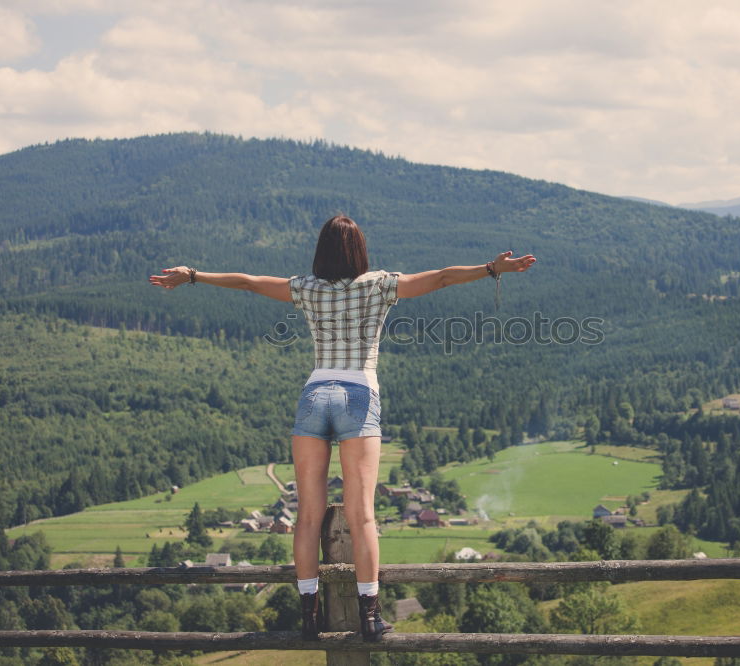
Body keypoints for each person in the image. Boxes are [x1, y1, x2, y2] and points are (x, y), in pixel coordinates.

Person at [149, 214, 535, 641]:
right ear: (360, 249)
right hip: (358, 394)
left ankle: (309, 617)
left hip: (314, 395)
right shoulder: (380, 284)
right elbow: (442, 278)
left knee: (308, 516)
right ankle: (370, 616)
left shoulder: (306, 287)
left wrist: (193, 276)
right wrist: (491, 269)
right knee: (361, 515)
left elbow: (249, 282)